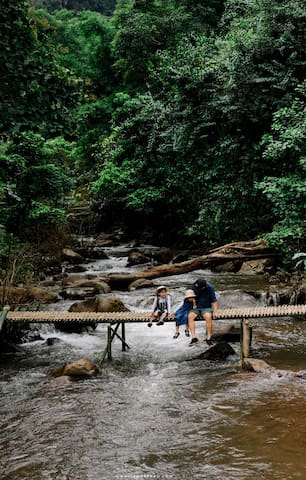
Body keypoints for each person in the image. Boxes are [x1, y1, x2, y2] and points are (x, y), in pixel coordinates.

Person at [188, 278, 218, 346]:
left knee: (208, 317)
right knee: (190, 316)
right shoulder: (194, 286)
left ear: (204, 286)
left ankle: (208, 338)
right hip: (197, 308)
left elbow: (214, 301)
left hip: (206, 307)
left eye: (200, 288)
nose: (198, 289)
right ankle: (194, 338)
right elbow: (189, 298)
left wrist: (215, 311)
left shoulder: (210, 288)